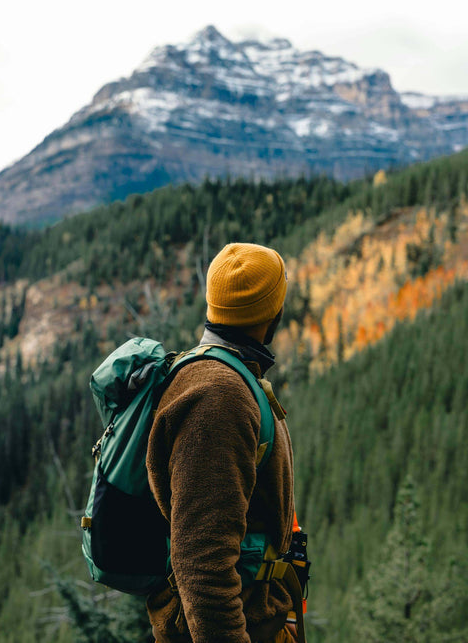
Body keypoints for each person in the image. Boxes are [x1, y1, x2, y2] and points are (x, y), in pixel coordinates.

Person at [146, 242, 298, 643]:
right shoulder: (219, 397)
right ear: (274, 311)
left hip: (260, 620)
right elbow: (202, 564)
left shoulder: (226, 376)